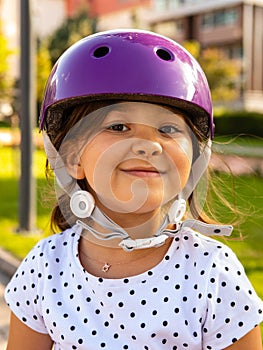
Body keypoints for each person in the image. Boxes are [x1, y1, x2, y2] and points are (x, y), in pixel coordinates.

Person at [5, 29, 263, 350]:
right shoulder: (44, 268)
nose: (148, 145)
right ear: (72, 159)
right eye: (118, 126)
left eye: (167, 129)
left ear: (195, 159)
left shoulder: (212, 272)